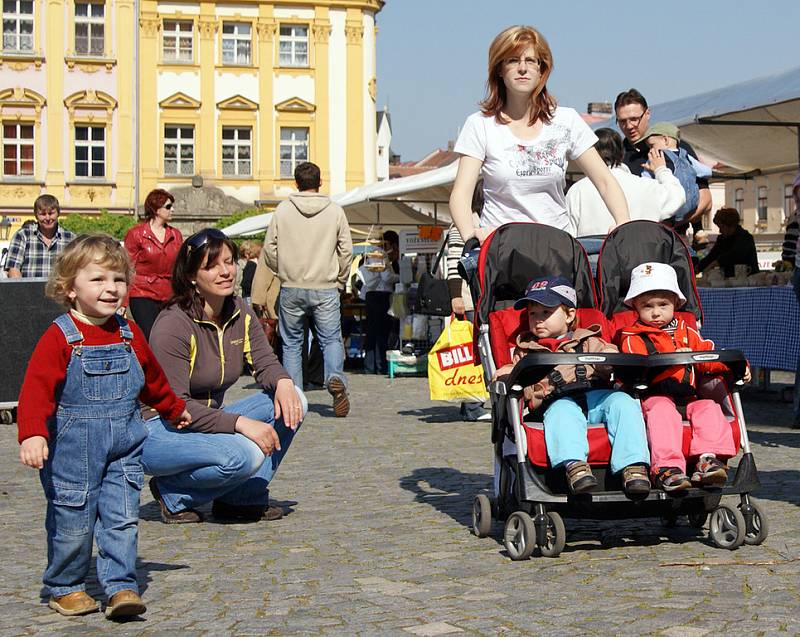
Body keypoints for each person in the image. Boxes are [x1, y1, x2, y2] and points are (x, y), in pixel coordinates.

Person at [16, 234, 190, 618]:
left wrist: (172, 408)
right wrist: (32, 433)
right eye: (98, 279)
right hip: (71, 452)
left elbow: (152, 378)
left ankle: (121, 586)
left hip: (123, 447)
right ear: (69, 288)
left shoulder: (129, 333)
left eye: (118, 279)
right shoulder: (61, 336)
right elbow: (36, 389)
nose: (110, 288)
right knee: (72, 520)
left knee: (121, 518)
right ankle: (65, 585)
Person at [142, 228, 305, 524]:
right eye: (212, 266)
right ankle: (173, 492)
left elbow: (264, 361)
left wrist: (283, 382)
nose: (225, 271)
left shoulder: (239, 310)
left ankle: (239, 498)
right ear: (192, 276)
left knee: (296, 401)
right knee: (245, 455)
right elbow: (175, 406)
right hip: (159, 428)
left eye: (229, 262)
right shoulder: (173, 324)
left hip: (205, 420)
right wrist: (241, 424)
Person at [449, 25, 630, 244]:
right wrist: (471, 236)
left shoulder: (566, 121)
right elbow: (461, 194)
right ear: (499, 69)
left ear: (542, 69)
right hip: (502, 250)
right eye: (513, 60)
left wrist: (622, 223)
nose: (522, 68)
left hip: (557, 247)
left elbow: (605, 181)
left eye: (531, 61)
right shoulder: (480, 125)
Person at [492, 277, 651, 497]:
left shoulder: (588, 340)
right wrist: (509, 371)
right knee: (563, 413)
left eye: (546, 313)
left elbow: (612, 355)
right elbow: (517, 375)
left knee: (623, 403)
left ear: (569, 315)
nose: (538, 320)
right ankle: (575, 467)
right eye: (532, 314)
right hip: (555, 401)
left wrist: (612, 360)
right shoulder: (526, 350)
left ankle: (633, 466)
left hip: (597, 396)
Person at [619, 262, 747, 490]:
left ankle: (708, 459)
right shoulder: (632, 336)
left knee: (708, 407)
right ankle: (667, 467)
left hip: (688, 395)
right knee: (662, 412)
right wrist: (671, 357)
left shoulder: (688, 332)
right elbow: (635, 368)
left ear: (676, 304)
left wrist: (735, 367)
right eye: (647, 306)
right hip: (652, 394)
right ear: (635, 307)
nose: (656, 312)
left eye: (663, 305)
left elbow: (709, 357)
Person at [266, 161, 353, 417]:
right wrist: (340, 278)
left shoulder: (282, 210)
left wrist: (281, 270)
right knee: (330, 339)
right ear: (320, 182)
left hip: (291, 285)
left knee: (293, 343)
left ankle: (295, 397)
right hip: (325, 285)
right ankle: (335, 379)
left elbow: (270, 248)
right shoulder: (335, 210)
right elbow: (346, 250)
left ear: (296, 183)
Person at [614, 89, 712, 239]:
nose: (629, 126)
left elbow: (705, 199)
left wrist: (671, 225)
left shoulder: (677, 148)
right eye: (622, 121)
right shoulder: (617, 156)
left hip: (675, 240)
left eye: (634, 119)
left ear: (647, 114)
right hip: (635, 240)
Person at [566, 128, 686, 236]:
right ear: (622, 154)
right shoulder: (646, 186)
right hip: (640, 256)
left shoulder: (577, 191)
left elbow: (569, 236)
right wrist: (661, 169)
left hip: (592, 258)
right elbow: (678, 196)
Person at [446, 185, 490, 421]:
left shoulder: (476, 221)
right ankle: (474, 405)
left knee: (474, 350)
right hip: (468, 296)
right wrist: (456, 297)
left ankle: (469, 403)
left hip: (473, 296)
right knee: (477, 352)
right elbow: (454, 261)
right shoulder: (466, 224)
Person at [123, 189, 183, 340]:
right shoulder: (136, 234)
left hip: (169, 294)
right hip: (142, 292)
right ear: (156, 209)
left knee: (169, 337)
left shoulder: (175, 235)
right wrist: (122, 302)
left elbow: (180, 267)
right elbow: (126, 268)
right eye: (168, 207)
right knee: (151, 335)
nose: (173, 210)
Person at [5, 194, 75, 278]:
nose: (48, 218)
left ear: (58, 213)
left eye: (51, 213)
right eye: (43, 214)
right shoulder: (22, 236)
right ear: (36, 215)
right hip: (29, 290)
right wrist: (22, 290)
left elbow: (77, 270)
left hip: (60, 290)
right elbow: (13, 269)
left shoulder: (70, 238)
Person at [360, 230, 400, 375]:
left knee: (372, 332)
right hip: (380, 295)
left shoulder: (369, 254)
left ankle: (369, 366)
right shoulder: (380, 254)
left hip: (371, 295)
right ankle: (380, 366)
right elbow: (387, 277)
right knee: (381, 332)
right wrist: (401, 277)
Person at [697, 208, 760, 278]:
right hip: (730, 279)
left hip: (749, 280)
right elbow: (711, 256)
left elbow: (735, 255)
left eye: (721, 227)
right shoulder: (722, 239)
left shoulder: (745, 237)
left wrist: (716, 263)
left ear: (730, 225)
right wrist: (697, 269)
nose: (720, 231)